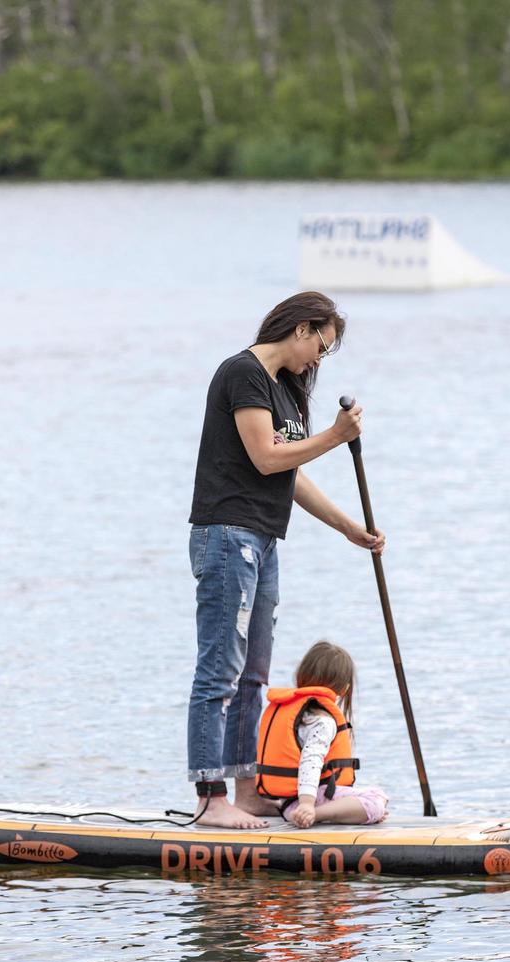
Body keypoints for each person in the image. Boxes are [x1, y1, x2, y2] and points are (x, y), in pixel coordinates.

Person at [187, 291, 385, 829]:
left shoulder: (287, 394)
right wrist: (334, 436)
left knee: (253, 674)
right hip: (227, 536)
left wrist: (351, 529)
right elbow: (265, 457)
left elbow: (290, 475)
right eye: (322, 345)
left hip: (265, 539)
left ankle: (248, 790)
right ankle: (211, 795)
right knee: (220, 671)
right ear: (301, 329)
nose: (319, 360)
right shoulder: (243, 374)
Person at [255, 641, 389, 829]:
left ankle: (340, 812)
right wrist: (307, 805)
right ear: (344, 689)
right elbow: (311, 761)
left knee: (371, 803)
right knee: (377, 799)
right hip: (305, 802)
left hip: (286, 802)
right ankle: (316, 815)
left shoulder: (291, 712)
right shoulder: (323, 721)